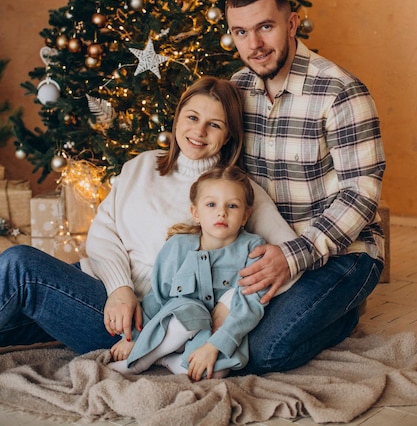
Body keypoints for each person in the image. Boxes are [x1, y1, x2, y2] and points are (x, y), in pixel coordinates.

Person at [0, 76, 298, 354]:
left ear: (229, 133)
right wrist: (120, 288)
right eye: (192, 117)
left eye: (215, 125)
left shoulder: (238, 193)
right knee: (13, 303)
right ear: (178, 117)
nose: (199, 131)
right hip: (99, 284)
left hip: (140, 321)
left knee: (21, 265)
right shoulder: (142, 166)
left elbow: (286, 260)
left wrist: (227, 304)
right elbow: (104, 232)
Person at [224, 0, 386, 374]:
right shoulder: (235, 89)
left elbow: (360, 194)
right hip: (268, 252)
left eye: (266, 27)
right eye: (240, 32)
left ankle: (344, 314)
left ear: (292, 24)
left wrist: (293, 256)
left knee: (262, 352)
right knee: (228, 340)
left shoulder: (340, 91)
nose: (254, 44)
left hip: (344, 254)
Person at [109, 165, 269, 381]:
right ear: (196, 213)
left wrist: (214, 346)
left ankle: (166, 360)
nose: (222, 212)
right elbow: (158, 297)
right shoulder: (177, 247)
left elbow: (250, 306)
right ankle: (142, 360)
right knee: (191, 311)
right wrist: (134, 338)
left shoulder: (253, 249)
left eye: (232, 206)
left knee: (217, 371)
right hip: (176, 325)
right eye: (211, 204)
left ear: (244, 216)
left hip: (213, 335)